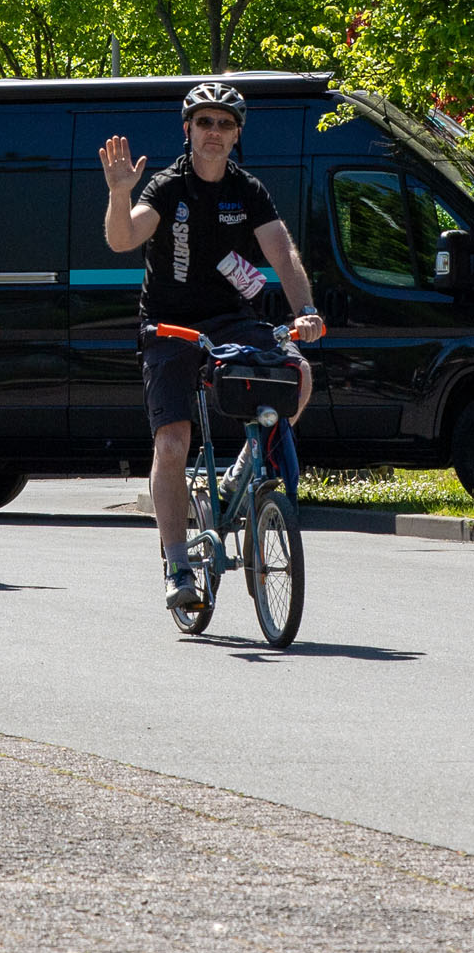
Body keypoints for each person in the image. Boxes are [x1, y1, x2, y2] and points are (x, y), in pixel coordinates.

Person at [100, 81, 326, 611]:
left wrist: (305, 311)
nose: (214, 132)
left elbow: (281, 252)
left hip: (231, 319)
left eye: (225, 124)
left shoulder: (247, 190)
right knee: (173, 444)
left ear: (236, 134)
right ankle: (178, 562)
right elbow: (122, 239)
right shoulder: (166, 186)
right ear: (188, 130)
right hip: (170, 325)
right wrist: (117, 194)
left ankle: (238, 476)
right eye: (205, 122)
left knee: (298, 376)